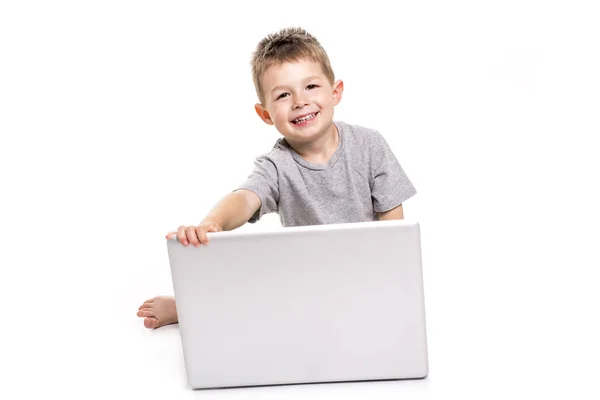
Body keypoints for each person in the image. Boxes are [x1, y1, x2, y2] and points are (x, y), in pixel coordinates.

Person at [137, 27, 417, 329]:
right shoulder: (277, 165)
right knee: (255, 291)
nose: (299, 101)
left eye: (311, 87)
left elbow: (393, 222)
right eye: (283, 95)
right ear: (266, 114)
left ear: (335, 92)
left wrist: (388, 272)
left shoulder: (369, 144)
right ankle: (189, 307)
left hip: (363, 271)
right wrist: (212, 223)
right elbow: (244, 198)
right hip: (302, 278)